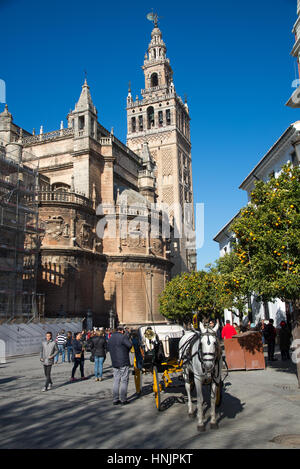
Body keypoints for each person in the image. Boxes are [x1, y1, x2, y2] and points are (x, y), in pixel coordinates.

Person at [107, 326, 132, 405]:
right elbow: (130, 345)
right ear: (121, 331)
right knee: (124, 380)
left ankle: (115, 399)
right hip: (123, 360)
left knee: (116, 380)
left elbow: (108, 348)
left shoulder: (110, 338)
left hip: (114, 361)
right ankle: (123, 399)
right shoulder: (122, 337)